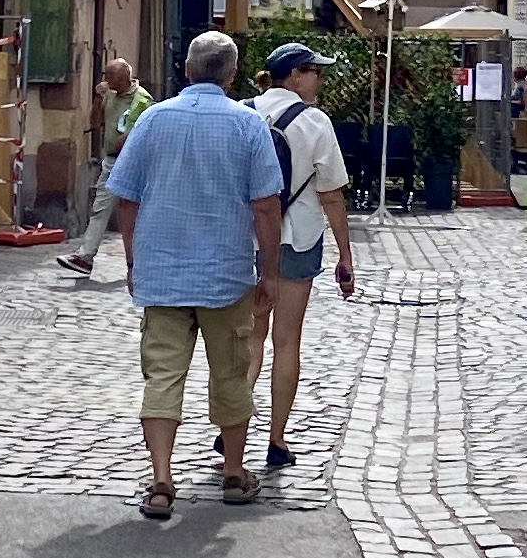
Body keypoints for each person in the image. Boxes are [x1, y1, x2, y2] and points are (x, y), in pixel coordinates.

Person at [104, 28, 282, 519]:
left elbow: (126, 197)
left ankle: (161, 480)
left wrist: (134, 260)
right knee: (231, 373)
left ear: (186, 70)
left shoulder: (152, 119)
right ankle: (234, 473)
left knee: (162, 376)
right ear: (232, 74)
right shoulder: (248, 125)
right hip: (226, 274)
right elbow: (266, 206)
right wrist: (269, 272)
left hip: (162, 273)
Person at [255, 41, 357, 471]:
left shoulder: (244, 112)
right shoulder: (315, 122)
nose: (320, 79)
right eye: (315, 71)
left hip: (249, 241)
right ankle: (277, 439)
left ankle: (232, 428)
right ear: (295, 76)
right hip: (297, 239)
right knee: (286, 341)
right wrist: (345, 256)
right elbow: (331, 195)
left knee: (249, 339)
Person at [58, 55, 153, 277]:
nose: (105, 80)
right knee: (100, 207)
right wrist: (96, 99)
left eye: (110, 76)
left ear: (124, 78)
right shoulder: (108, 95)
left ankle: (140, 262)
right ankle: (85, 257)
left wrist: (130, 137)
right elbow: (94, 124)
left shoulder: (142, 100)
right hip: (111, 160)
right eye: (105, 75)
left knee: (135, 213)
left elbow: (148, 132)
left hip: (134, 162)